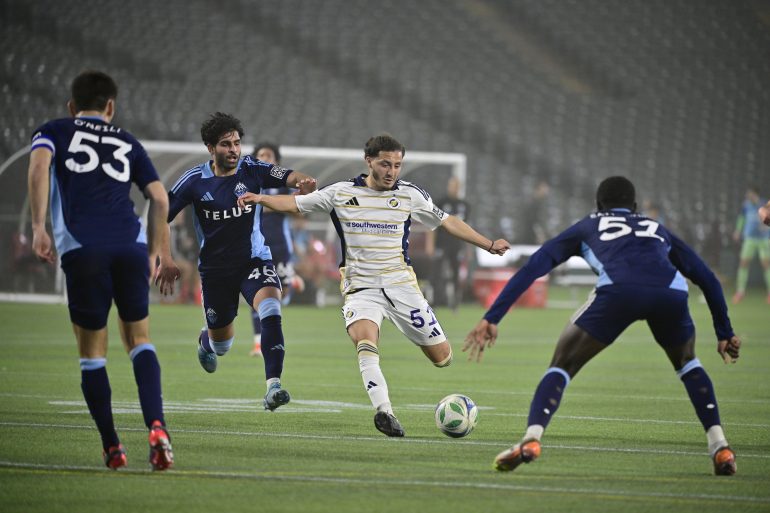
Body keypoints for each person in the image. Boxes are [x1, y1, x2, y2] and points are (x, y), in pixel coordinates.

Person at [463, 176, 741, 476]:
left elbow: (534, 266)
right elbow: (708, 278)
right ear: (634, 207)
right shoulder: (655, 228)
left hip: (619, 291)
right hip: (670, 293)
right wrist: (724, 332)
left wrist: (492, 317)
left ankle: (531, 439)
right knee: (688, 364)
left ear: (598, 205)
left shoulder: (588, 225)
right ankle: (720, 445)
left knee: (562, 365)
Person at [236, 133, 510, 437]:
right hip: (360, 288)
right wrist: (260, 198)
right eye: (385, 163)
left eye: (397, 165)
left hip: (402, 287)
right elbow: (295, 204)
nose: (392, 171)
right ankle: (384, 411)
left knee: (443, 358)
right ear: (369, 161)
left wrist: (487, 244)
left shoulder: (410, 195)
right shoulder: (340, 193)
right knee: (366, 343)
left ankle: (399, 382)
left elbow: (447, 221)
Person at [27, 70, 178, 470]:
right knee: (139, 340)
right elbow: (160, 199)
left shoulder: (53, 130)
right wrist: (152, 252)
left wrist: (38, 227)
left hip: (84, 248)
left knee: (92, 353)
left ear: (71, 107)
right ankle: (158, 427)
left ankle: (113, 447)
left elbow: (40, 169)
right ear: (110, 107)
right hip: (131, 247)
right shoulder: (127, 140)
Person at [167, 113, 316, 411]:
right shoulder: (194, 181)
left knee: (271, 307)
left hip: (254, 260)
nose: (234, 149)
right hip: (215, 271)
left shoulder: (252, 168)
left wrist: (304, 182)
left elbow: (287, 176)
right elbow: (162, 212)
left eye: (236, 142)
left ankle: (273, 387)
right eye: (226, 144)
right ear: (210, 148)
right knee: (222, 346)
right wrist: (163, 257)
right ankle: (207, 341)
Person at [248, 142, 303, 356]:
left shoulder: (282, 186)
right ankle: (257, 344)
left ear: (276, 161)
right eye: (261, 155)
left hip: (279, 245)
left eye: (268, 155)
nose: (264, 158)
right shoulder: (247, 182)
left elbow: (299, 211)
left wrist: (292, 201)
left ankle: (291, 281)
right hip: (255, 247)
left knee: (282, 295)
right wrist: (276, 204)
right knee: (259, 294)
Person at [426, 176, 471, 310]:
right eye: (452, 185)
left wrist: (468, 248)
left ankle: (455, 302)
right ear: (448, 186)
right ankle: (436, 300)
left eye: (457, 186)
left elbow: (467, 228)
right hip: (441, 243)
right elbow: (431, 224)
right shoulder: (440, 202)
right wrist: (430, 244)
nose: (454, 188)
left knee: (456, 273)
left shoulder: (465, 205)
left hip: (457, 244)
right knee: (436, 272)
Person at [731, 186, 770, 304]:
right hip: (749, 239)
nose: (748, 196)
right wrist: (738, 230)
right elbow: (742, 217)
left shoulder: (764, 204)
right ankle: (740, 292)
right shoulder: (746, 205)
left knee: (766, 265)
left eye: (750, 194)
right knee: (743, 263)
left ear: (755, 194)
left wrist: (766, 224)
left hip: (763, 239)